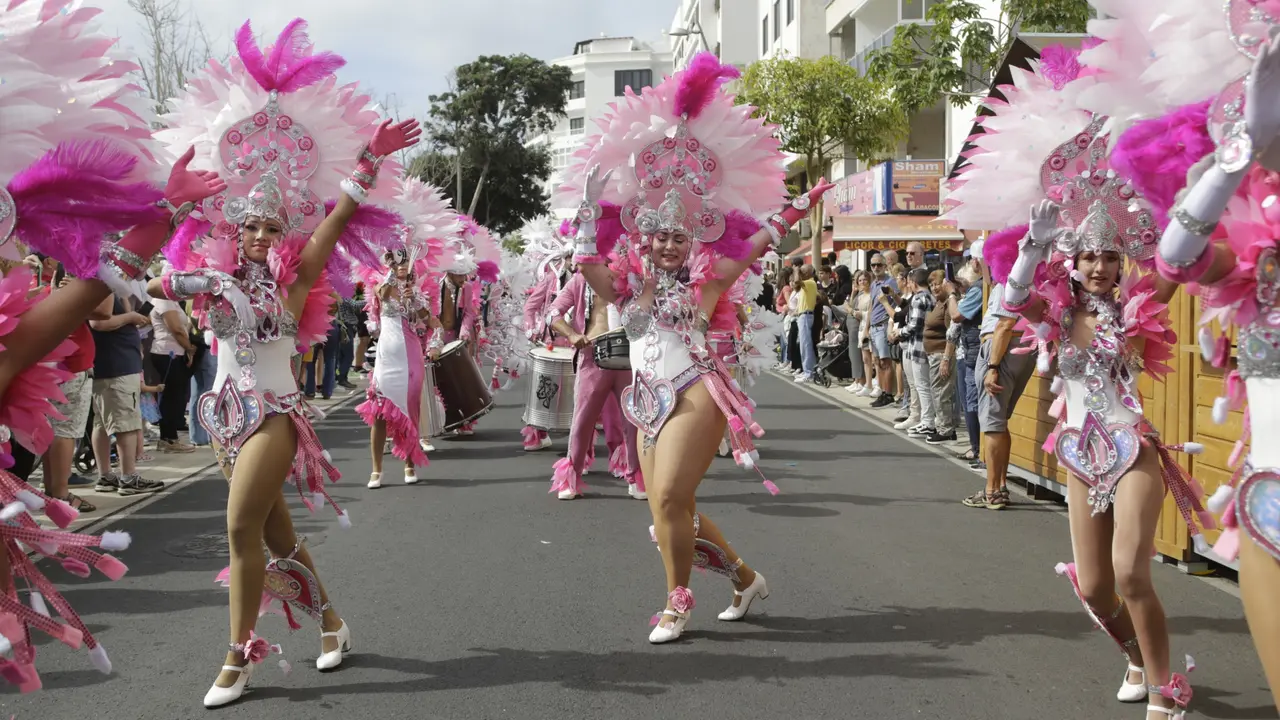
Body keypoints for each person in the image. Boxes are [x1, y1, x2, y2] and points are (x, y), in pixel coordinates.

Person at [150, 19, 421, 707]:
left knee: (241, 530)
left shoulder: (295, 286)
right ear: (232, 228)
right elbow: (153, 282)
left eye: (273, 226)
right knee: (278, 537)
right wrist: (168, 213)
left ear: (284, 233)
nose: (261, 234)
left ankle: (238, 657)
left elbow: (334, 223)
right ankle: (332, 622)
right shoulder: (209, 279)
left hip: (272, 416)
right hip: (222, 421)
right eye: (250, 225)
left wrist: (370, 159)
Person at [560, 52, 832, 644]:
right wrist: (587, 206)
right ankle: (744, 577)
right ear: (643, 232)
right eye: (658, 234)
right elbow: (585, 265)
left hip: (697, 389)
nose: (667, 245)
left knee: (667, 495)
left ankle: (677, 602)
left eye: (679, 236)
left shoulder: (709, 279)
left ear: (695, 237)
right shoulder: (627, 276)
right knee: (665, 516)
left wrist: (798, 207)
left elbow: (758, 243)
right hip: (647, 398)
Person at [546, 268, 644, 500]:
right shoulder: (581, 280)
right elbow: (552, 313)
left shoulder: (634, 276)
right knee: (583, 420)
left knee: (634, 420)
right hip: (592, 356)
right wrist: (571, 334)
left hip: (629, 357)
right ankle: (572, 476)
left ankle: (636, 477)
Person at [358, 249, 439, 488]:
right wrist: (392, 272)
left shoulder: (415, 292)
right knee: (380, 411)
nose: (402, 266)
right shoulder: (379, 285)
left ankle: (409, 464)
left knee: (411, 406)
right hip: (387, 354)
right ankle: (376, 470)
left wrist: (413, 297)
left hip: (411, 354)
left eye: (405, 263)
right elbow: (382, 295)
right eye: (397, 262)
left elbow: (428, 319)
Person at [148, 293, 196, 453]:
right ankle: (168, 439)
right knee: (170, 397)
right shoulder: (163, 300)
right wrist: (189, 348)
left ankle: (169, 437)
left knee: (172, 396)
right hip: (167, 352)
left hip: (174, 352)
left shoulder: (170, 301)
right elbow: (176, 329)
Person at [898, 268, 935, 437]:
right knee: (922, 386)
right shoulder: (930, 297)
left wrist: (898, 333)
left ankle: (927, 421)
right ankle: (924, 420)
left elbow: (915, 324)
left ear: (913, 282)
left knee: (922, 386)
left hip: (919, 347)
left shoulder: (920, 298)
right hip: (923, 346)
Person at [923, 270, 957, 444]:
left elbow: (952, 333)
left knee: (941, 393)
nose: (934, 287)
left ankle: (946, 430)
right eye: (931, 284)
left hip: (941, 354)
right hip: (933, 355)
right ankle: (942, 425)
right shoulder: (938, 303)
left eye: (937, 284)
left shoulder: (947, 305)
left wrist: (946, 359)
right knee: (937, 392)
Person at [866, 253, 898, 407]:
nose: (876, 267)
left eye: (879, 264)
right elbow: (871, 306)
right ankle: (883, 391)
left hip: (883, 325)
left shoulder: (890, 282)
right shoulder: (873, 284)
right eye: (873, 265)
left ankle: (888, 393)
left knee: (886, 362)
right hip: (874, 326)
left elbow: (898, 301)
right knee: (878, 362)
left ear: (885, 266)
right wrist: (867, 328)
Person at [793, 264, 820, 384]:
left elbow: (797, 281)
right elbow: (795, 285)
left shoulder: (810, 282)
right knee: (803, 345)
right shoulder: (808, 284)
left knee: (805, 345)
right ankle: (808, 370)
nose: (801, 274)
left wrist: (796, 270)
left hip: (806, 316)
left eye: (803, 271)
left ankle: (809, 372)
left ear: (808, 273)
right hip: (802, 315)